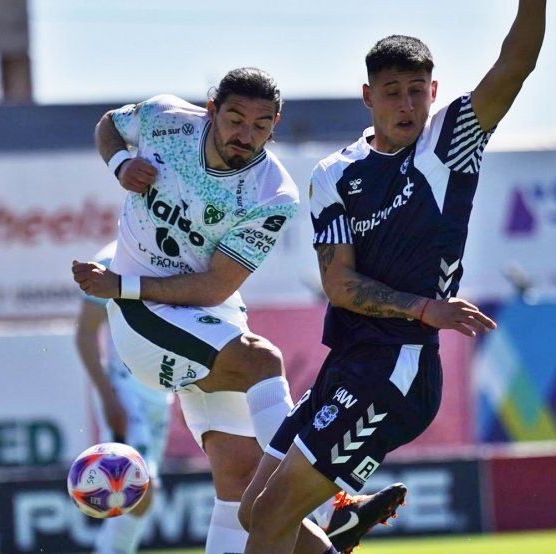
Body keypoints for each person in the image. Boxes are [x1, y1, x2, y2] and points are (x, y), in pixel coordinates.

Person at [240, 3, 547, 553]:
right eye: (391, 92)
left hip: (398, 367)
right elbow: (340, 284)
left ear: (435, 91)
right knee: (253, 511)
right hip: (349, 361)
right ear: (367, 97)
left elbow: (515, 62)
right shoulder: (335, 173)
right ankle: (341, 539)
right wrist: (426, 305)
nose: (407, 105)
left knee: (269, 520)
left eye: (417, 90)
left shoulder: (449, 145)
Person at [72, 67, 398, 553]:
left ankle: (328, 540)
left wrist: (120, 282)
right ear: (210, 111)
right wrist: (120, 161)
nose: (246, 135)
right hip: (142, 319)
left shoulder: (274, 193)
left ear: (275, 124)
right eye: (235, 119)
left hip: (198, 308)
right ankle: (330, 507)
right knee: (261, 360)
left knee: (243, 484)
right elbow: (109, 125)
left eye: (261, 125)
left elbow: (214, 286)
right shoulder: (165, 118)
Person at [75, 240, 174, 553]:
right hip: (126, 391)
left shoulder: (180, 249)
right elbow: (85, 334)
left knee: (141, 492)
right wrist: (108, 398)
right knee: (139, 487)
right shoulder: (109, 260)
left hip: (161, 393)